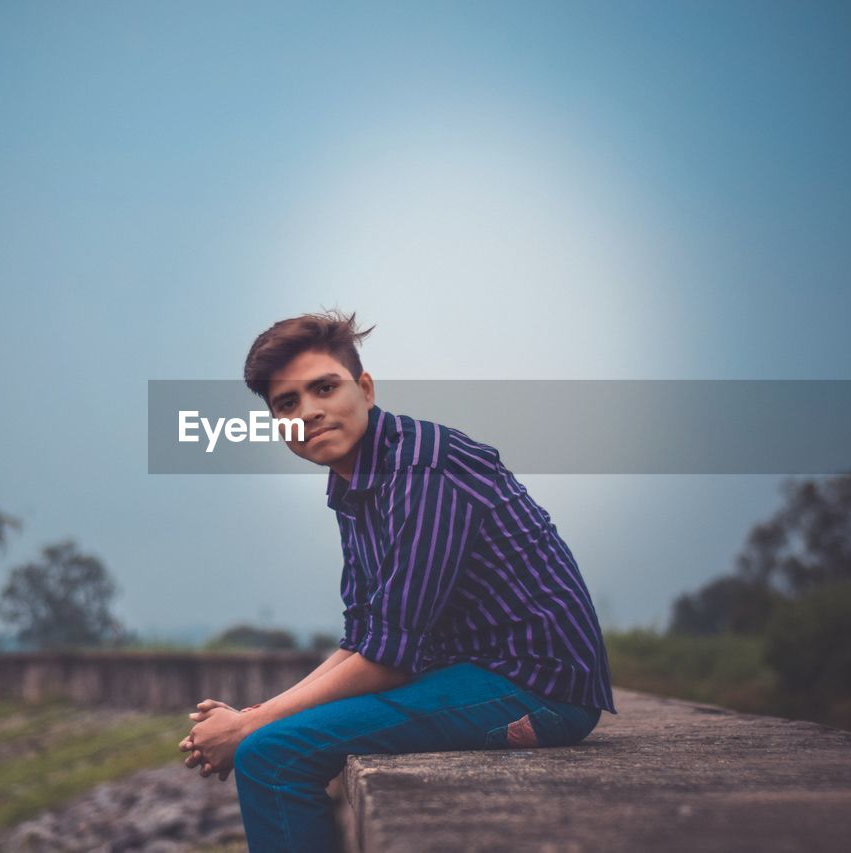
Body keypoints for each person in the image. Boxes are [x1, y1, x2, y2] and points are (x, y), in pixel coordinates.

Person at [179, 310, 615, 852]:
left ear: (364, 388)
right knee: (267, 739)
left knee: (271, 756)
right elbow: (365, 635)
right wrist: (254, 717)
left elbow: (389, 657)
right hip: (474, 673)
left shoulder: (422, 470)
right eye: (287, 403)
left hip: (537, 687)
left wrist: (251, 728)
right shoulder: (355, 485)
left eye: (324, 388)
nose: (309, 412)